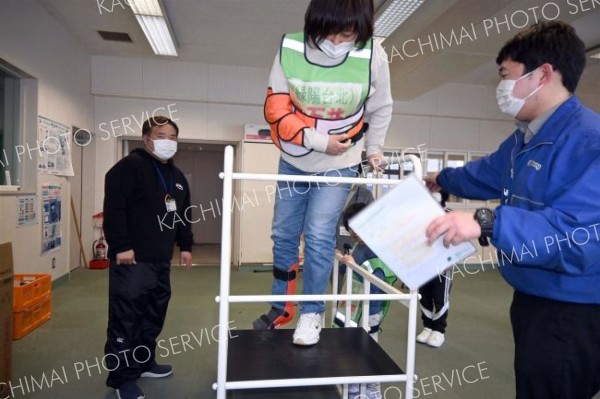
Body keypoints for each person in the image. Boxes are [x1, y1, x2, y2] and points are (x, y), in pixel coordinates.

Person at [424, 21, 600, 399]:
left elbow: (577, 238)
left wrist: (484, 221)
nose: (500, 88)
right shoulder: (528, 136)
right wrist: (443, 179)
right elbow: (486, 174)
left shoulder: (590, 142)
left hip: (572, 309)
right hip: (532, 295)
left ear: (544, 73)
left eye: (506, 76)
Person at [253, 0, 393, 347]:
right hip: (295, 156)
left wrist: (374, 149)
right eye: (329, 29)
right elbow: (276, 106)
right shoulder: (290, 47)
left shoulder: (373, 53)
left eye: (347, 32)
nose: (336, 39)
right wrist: (318, 140)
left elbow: (381, 106)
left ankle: (311, 313)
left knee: (318, 236)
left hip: (339, 162)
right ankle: (280, 306)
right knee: (283, 234)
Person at [103, 116, 193, 399]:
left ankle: (143, 362)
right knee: (126, 318)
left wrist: (185, 245)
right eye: (161, 135)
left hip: (160, 260)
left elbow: (182, 214)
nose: (168, 141)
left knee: (153, 315)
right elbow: (115, 209)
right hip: (132, 259)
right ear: (146, 139)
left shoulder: (176, 178)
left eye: (173, 136)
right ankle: (121, 378)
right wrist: (121, 246)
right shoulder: (128, 168)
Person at [338, 202, 397, 399]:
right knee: (351, 348)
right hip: (354, 308)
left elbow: (376, 280)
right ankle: (354, 389)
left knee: (368, 350)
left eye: (359, 226)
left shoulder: (377, 248)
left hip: (370, 310)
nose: (354, 232)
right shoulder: (359, 246)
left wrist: (355, 266)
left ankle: (373, 390)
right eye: (350, 228)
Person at [416, 191, 452, 348]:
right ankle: (428, 326)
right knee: (424, 296)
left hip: (443, 266)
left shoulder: (450, 215)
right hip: (422, 264)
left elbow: (458, 240)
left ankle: (439, 330)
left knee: (440, 297)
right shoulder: (420, 215)